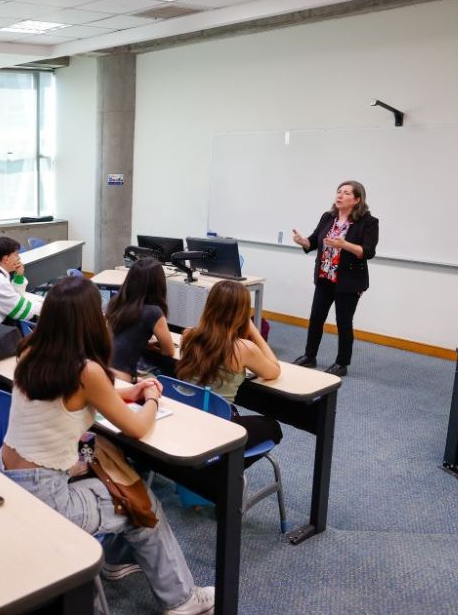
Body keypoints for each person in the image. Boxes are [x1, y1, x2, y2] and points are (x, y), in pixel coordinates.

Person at [0, 276, 214, 615]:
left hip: (7, 476)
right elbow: (138, 428)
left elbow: (95, 399)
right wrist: (153, 398)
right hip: (48, 496)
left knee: (117, 482)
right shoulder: (85, 371)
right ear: (88, 320)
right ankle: (182, 600)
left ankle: (115, 561)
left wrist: (131, 392)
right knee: (142, 501)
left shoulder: (31, 353)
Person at [176, 280, 283, 456]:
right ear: (241, 314)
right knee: (273, 427)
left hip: (188, 418)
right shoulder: (243, 348)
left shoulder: (188, 335)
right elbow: (274, 370)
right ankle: (227, 475)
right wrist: (253, 330)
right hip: (218, 428)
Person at [291, 180, 379, 377]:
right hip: (325, 276)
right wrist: (301, 241)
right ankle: (309, 356)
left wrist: (344, 244)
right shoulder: (328, 217)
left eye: (346, 193)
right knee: (316, 318)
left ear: (357, 199)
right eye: (339, 191)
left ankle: (342, 363)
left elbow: (368, 251)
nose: (340, 195)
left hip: (349, 281)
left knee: (343, 322)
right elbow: (313, 242)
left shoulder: (369, 222)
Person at [106, 257, 176, 382]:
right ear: (158, 284)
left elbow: (116, 338)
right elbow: (169, 351)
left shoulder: (115, 303)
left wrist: (144, 344)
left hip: (104, 371)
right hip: (123, 378)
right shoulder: (153, 312)